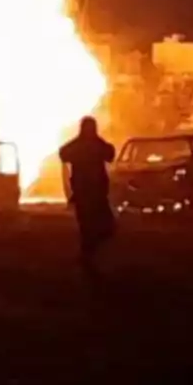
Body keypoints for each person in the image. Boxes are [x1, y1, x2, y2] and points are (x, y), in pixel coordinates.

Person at [58, 115, 117, 278]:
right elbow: (111, 154)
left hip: (84, 194)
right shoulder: (97, 144)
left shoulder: (79, 145)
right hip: (95, 193)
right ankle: (88, 257)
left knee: (88, 227)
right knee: (104, 225)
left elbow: (63, 153)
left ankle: (88, 255)